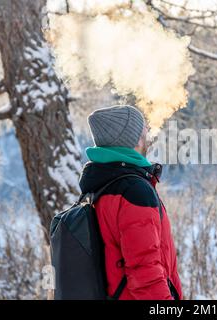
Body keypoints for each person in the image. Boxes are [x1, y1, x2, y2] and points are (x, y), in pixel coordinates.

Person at [79, 105, 182, 300]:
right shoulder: (134, 191)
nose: (148, 135)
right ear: (132, 139)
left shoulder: (101, 184)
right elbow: (145, 272)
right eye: (143, 130)